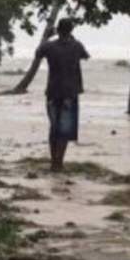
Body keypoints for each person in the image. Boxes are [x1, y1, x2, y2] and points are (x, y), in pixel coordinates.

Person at [35, 18, 90, 172]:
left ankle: (53, 162)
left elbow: (38, 53)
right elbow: (86, 56)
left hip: (53, 91)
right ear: (71, 30)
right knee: (64, 129)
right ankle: (59, 162)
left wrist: (47, 36)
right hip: (70, 93)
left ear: (58, 30)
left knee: (54, 127)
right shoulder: (76, 46)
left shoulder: (49, 46)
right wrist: (73, 38)